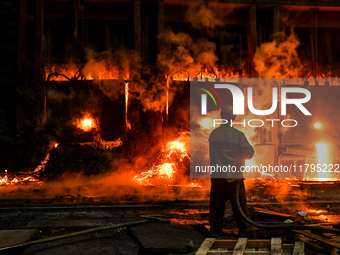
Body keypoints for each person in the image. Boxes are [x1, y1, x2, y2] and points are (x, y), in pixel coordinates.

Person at [209, 104, 254, 237]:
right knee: (239, 206)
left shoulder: (214, 134)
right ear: (233, 118)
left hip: (217, 177)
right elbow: (249, 153)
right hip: (233, 178)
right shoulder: (237, 135)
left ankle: (215, 231)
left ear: (221, 116)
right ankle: (245, 230)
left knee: (216, 206)